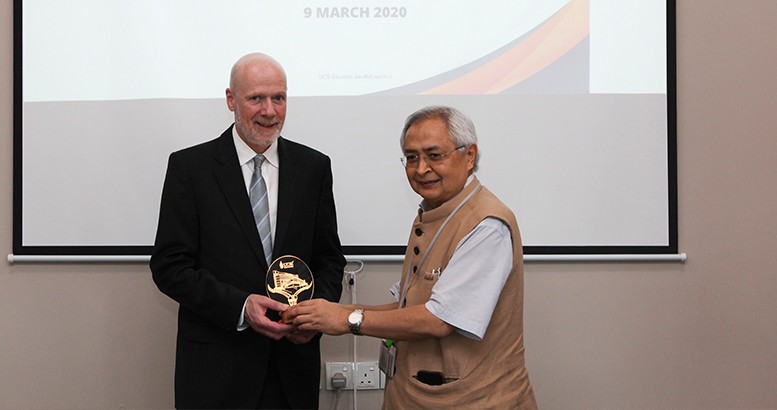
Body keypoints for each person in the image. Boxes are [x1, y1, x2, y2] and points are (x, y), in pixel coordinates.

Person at [284, 106, 537, 409]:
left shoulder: (487, 225)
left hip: (471, 400)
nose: (421, 169)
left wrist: (346, 319)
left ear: (469, 156)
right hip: (416, 395)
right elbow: (410, 307)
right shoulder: (434, 213)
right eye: (412, 157)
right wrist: (327, 314)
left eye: (434, 155)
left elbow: (438, 320)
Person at [150, 52, 345, 409]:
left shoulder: (313, 167)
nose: (269, 111)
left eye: (279, 98)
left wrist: (317, 314)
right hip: (216, 372)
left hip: (292, 371)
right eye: (256, 98)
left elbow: (329, 258)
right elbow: (170, 266)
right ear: (231, 100)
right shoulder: (190, 168)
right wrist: (241, 306)